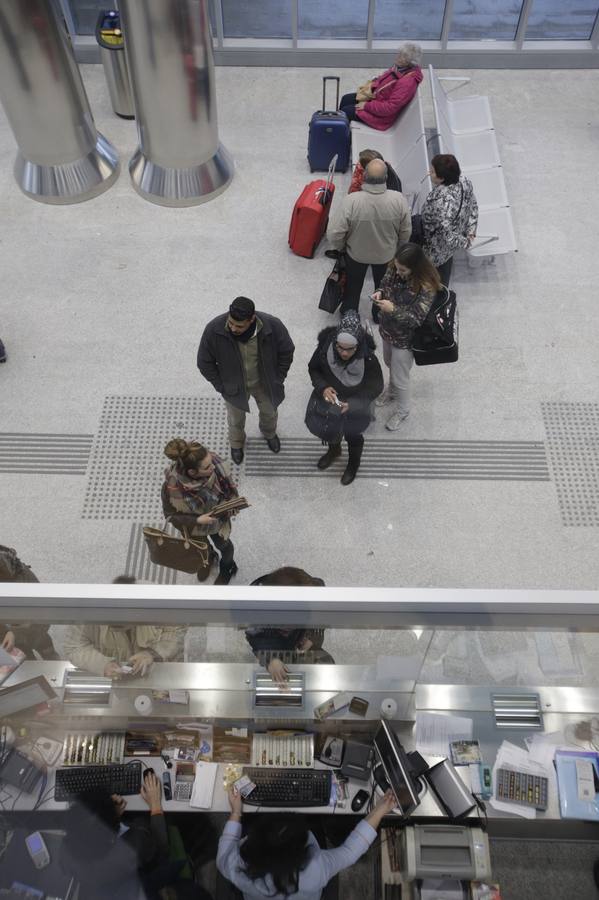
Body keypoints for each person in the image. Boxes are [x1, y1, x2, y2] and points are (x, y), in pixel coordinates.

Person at [217, 786, 397, 900]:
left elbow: (223, 854)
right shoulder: (316, 869)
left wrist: (236, 812)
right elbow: (350, 852)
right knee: (315, 819)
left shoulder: (236, 867)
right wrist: (380, 810)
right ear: (302, 853)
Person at [62, 771, 189, 900]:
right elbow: (160, 847)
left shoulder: (65, 852)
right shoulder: (131, 850)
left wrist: (109, 814)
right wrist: (155, 804)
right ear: (111, 836)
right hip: (139, 880)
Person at [197, 296, 295, 465]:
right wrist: (221, 386)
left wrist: (278, 378)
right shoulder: (214, 330)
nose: (233, 328)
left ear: (252, 319)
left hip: (265, 384)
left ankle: (269, 433)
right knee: (235, 419)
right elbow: (204, 362)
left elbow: (286, 351)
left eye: (239, 326)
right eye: (231, 323)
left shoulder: (273, 326)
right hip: (233, 387)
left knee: (270, 413)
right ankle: (236, 443)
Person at [306, 311, 383, 485]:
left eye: (350, 349)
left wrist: (353, 404)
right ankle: (334, 451)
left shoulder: (369, 359)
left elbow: (376, 386)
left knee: (353, 436)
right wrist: (323, 387)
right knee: (330, 428)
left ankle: (353, 464)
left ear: (358, 345)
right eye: (340, 348)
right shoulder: (324, 349)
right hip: (330, 401)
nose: (344, 353)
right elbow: (314, 369)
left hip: (355, 406)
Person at [372, 243, 441, 431]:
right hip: (388, 330)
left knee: (401, 376)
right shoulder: (394, 267)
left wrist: (392, 309)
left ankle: (403, 411)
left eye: (402, 270)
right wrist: (380, 292)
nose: (397, 272)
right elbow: (385, 284)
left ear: (415, 267)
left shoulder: (426, 286)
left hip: (406, 340)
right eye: (396, 267)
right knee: (389, 362)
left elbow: (416, 319)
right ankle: (392, 391)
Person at [328, 159, 411, 316]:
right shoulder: (399, 199)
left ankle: (350, 313)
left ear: (364, 176)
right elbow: (406, 231)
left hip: (356, 254)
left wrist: (342, 247)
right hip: (386, 255)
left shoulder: (351, 201)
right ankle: (379, 314)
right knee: (384, 288)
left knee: (352, 287)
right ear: (386, 177)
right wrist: (397, 249)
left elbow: (334, 232)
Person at [162, 437, 240, 585]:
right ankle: (209, 558)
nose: (213, 467)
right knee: (201, 547)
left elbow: (231, 493)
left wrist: (231, 506)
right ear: (192, 472)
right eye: (207, 467)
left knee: (224, 545)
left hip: (218, 521)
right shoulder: (172, 487)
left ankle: (227, 567)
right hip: (194, 527)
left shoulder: (218, 468)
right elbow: (170, 515)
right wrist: (197, 520)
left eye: (211, 461)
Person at [245, 567, 332, 684]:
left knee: (325, 662)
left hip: (300, 638)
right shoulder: (256, 614)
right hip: (276, 644)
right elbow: (257, 640)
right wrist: (271, 659)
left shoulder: (313, 589)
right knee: (279, 669)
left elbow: (321, 613)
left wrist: (312, 635)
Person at [61, 616, 185, 678]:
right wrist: (103, 664)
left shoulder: (156, 601)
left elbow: (178, 630)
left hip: (163, 672)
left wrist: (152, 653)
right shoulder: (90, 612)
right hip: (119, 679)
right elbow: (74, 647)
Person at [421, 153, 478, 286]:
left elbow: (447, 235)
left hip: (434, 249)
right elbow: (473, 205)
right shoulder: (464, 182)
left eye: (433, 172)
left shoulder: (441, 202)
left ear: (442, 178)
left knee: (432, 282)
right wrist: (471, 230)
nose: (429, 173)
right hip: (449, 244)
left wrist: (465, 243)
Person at [339, 43, 423, 131]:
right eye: (399, 54)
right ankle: (339, 130)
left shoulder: (407, 82)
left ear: (409, 62)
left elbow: (390, 107)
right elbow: (382, 81)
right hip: (376, 100)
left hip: (381, 117)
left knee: (346, 111)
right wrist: (372, 87)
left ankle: (341, 136)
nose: (397, 57)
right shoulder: (400, 68)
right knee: (346, 99)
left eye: (401, 56)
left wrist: (366, 105)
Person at [0, 543, 56, 659]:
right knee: (27, 661)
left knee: (43, 646)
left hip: (30, 628)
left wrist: (14, 633)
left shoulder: (22, 576)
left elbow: (44, 614)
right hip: (11, 634)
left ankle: (48, 655)